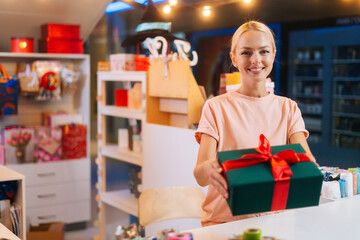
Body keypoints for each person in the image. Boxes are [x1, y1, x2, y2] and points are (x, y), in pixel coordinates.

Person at [193, 20, 316, 227]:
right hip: (224, 224)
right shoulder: (215, 107)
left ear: (274, 54)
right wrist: (211, 168)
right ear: (234, 58)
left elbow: (307, 162)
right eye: (246, 53)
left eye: (263, 51)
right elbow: (200, 175)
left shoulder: (289, 109)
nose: (256, 60)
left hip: (276, 221)